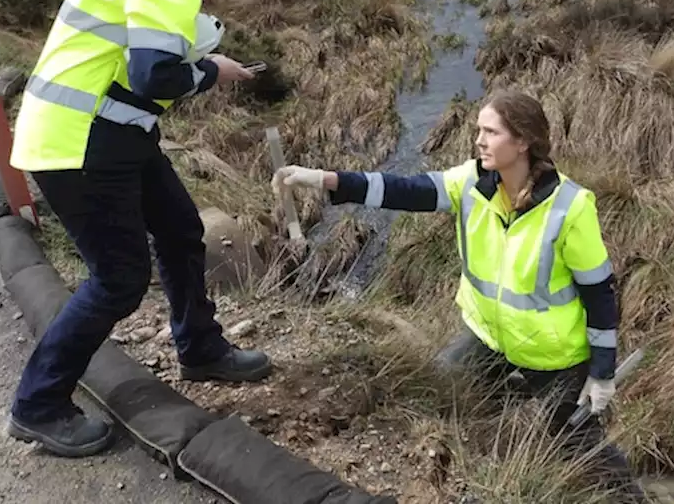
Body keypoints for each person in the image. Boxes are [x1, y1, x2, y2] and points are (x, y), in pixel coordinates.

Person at [5, 0, 274, 458]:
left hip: (113, 132)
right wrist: (212, 70)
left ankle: (200, 348)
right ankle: (39, 404)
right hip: (78, 143)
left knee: (181, 229)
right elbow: (155, 74)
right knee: (119, 279)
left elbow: (136, 64)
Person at [272, 90, 644, 498]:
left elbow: (599, 294)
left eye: (491, 132)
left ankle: (630, 498)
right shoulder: (471, 182)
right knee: (442, 386)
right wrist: (327, 180)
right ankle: (481, 452)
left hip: (551, 356)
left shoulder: (570, 208)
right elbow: (406, 190)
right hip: (488, 336)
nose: (479, 141)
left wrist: (602, 371)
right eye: (478, 130)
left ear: (522, 142)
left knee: (575, 441)